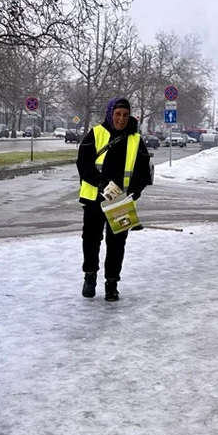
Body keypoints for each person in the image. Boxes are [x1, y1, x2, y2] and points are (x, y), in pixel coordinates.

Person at [77, 97, 153, 302]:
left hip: (121, 201)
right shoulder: (96, 134)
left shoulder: (135, 139)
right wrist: (100, 183)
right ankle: (90, 276)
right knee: (91, 240)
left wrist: (136, 190)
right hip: (95, 198)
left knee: (117, 244)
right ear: (110, 114)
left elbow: (143, 171)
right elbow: (83, 164)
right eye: (117, 114)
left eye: (125, 115)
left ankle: (112, 283)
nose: (121, 119)